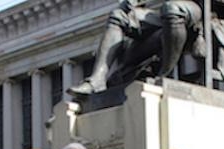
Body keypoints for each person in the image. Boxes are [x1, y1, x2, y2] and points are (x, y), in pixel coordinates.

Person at [67, 0, 203, 95]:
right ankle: (97, 80)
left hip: (200, 9)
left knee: (172, 9)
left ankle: (164, 75)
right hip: (164, 13)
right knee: (118, 16)